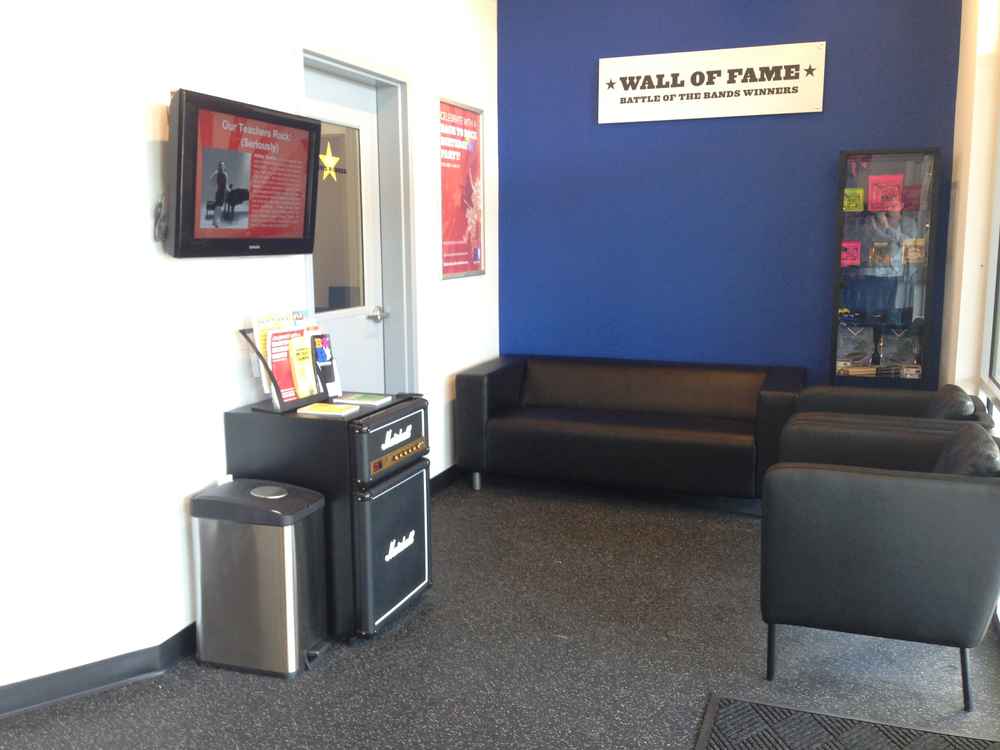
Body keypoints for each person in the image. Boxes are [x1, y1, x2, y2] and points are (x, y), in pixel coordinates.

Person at [209, 161, 229, 228]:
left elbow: (226, 184)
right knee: (218, 207)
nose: (221, 166)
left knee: (219, 207)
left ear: (224, 166)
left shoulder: (226, 174)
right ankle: (216, 223)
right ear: (218, 166)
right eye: (220, 165)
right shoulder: (216, 173)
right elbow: (211, 180)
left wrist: (228, 189)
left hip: (223, 192)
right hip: (219, 192)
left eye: (223, 165)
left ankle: (215, 222)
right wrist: (216, 186)